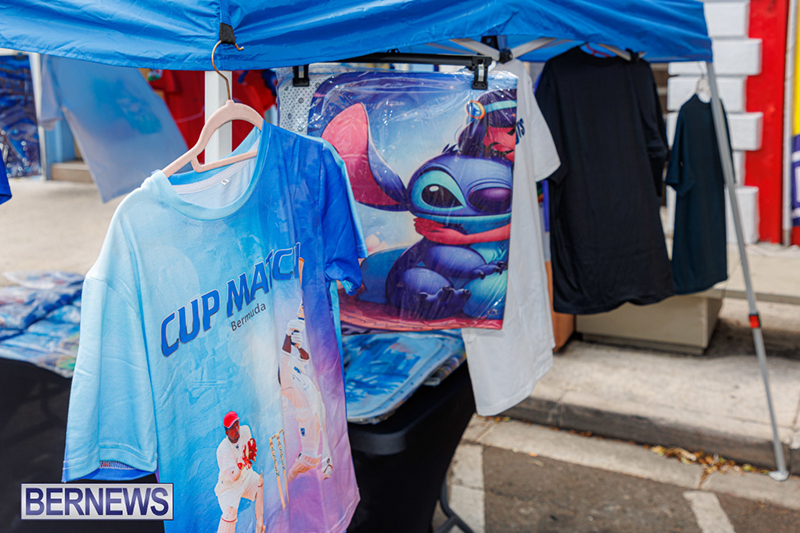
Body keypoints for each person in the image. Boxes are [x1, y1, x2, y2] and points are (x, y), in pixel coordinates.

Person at [279, 304, 333, 481]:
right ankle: (291, 475)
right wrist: (288, 334)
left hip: (316, 404)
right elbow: (285, 356)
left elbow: (304, 358)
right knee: (310, 454)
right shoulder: (286, 383)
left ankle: (327, 467)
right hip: (306, 415)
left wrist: (298, 345)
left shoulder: (295, 370)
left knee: (327, 434)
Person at [214, 411, 265, 533]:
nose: (237, 429)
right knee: (230, 512)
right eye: (232, 428)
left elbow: (249, 454)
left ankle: (260, 526)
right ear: (226, 432)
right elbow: (233, 477)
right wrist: (241, 464)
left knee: (260, 483)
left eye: (237, 424)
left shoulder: (245, 430)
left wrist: (247, 461)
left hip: (246, 476)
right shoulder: (222, 450)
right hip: (229, 486)